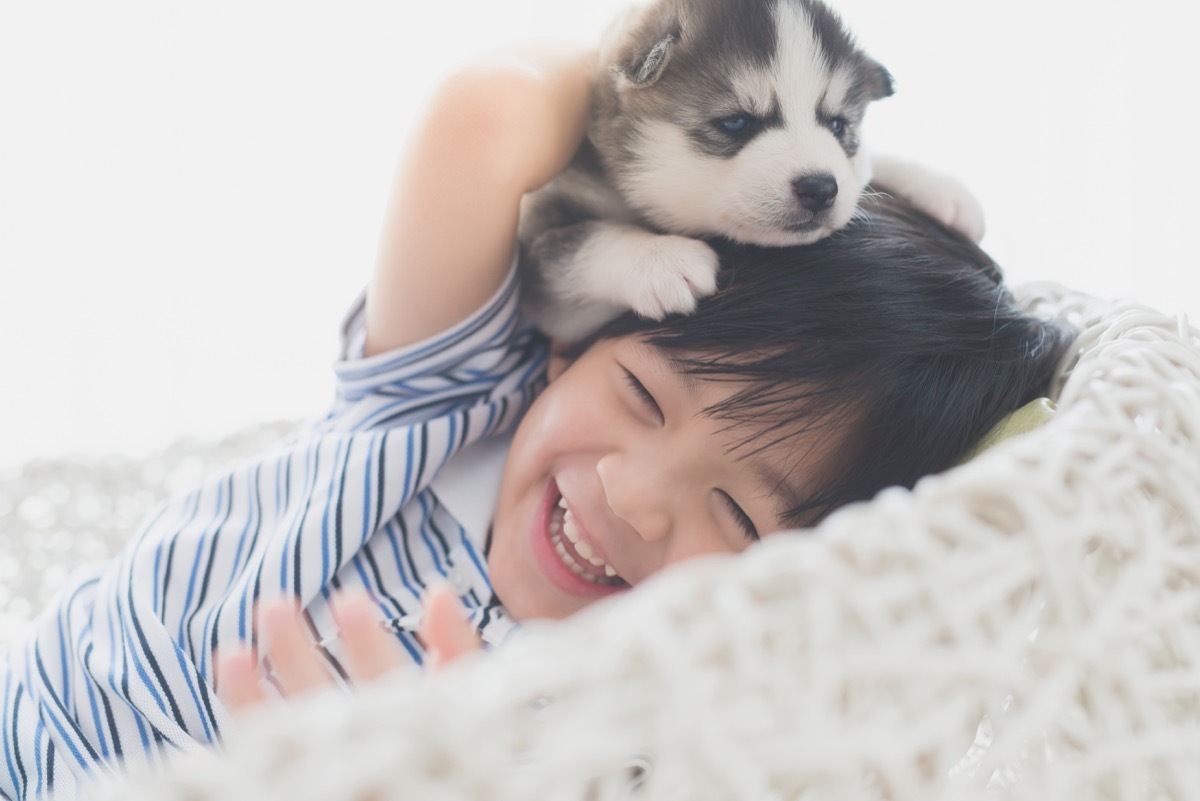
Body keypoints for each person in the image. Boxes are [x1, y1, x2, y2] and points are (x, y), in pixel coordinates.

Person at [0, 43, 1072, 801]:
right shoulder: (452, 409)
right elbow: (489, 113)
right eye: (645, 396)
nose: (633, 498)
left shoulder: (649, 735)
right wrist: (785, 137)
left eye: (739, 518)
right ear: (578, 340)